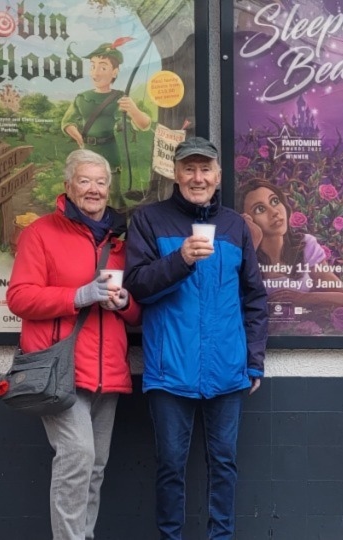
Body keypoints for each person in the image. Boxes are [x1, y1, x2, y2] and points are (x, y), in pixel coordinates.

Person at [124, 136, 269, 539]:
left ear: (218, 175)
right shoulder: (150, 220)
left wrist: (254, 359)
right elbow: (137, 287)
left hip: (227, 368)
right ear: (176, 173)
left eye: (205, 169)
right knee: (171, 464)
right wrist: (181, 259)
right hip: (170, 369)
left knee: (224, 464)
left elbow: (255, 297)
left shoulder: (235, 225)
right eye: (189, 168)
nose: (197, 177)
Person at [6, 149, 141, 540]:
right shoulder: (41, 232)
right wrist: (77, 296)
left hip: (108, 371)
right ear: (68, 187)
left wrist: (126, 303)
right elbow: (19, 297)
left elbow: (137, 313)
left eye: (101, 182)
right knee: (76, 458)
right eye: (85, 181)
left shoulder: (119, 240)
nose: (94, 190)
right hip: (60, 370)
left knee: (95, 466)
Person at [62, 38, 151, 212]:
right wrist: (79, 137)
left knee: (114, 193)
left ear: (114, 72)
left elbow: (144, 124)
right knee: (83, 192)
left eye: (103, 67)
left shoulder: (119, 97)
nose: (96, 72)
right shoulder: (82, 97)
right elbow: (67, 122)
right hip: (87, 151)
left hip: (109, 149)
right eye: (93, 66)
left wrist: (133, 110)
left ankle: (117, 230)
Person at [238, 181, 343, 308]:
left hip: (302, 324)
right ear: (247, 220)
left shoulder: (305, 245)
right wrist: (251, 244)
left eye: (274, 201)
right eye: (260, 209)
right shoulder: (239, 253)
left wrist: (304, 298)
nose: (274, 212)